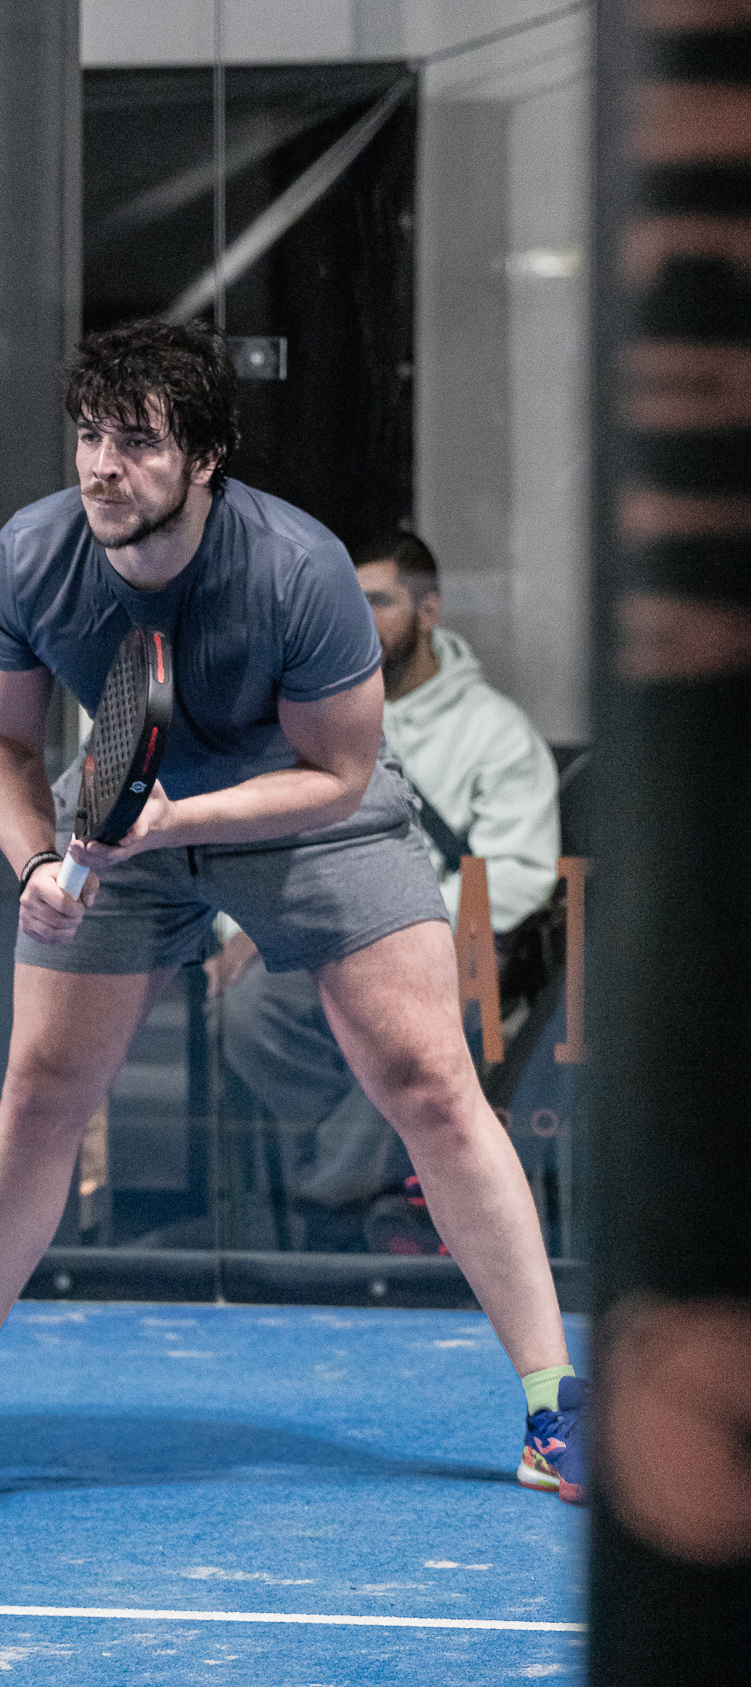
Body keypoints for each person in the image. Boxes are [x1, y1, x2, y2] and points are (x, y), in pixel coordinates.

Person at [0, 319, 587, 1511]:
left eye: (136, 443)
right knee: (37, 1093)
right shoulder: (31, 557)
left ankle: (554, 1408)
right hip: (116, 809)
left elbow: (339, 773)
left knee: (431, 1085)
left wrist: (175, 822)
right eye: (90, 436)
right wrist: (33, 862)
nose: (102, 467)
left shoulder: (298, 570)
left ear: (203, 458)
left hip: (302, 811)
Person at [219, 530, 561, 1253]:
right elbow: (260, 837)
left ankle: (333, 1201)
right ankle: (378, 1178)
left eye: (379, 601)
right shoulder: (311, 717)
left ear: (429, 611)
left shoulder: (494, 731)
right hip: (326, 938)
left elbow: (518, 874)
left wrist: (397, 926)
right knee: (246, 1010)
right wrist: (252, 926)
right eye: (348, 602)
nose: (359, 618)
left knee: (410, 1026)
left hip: (454, 947)